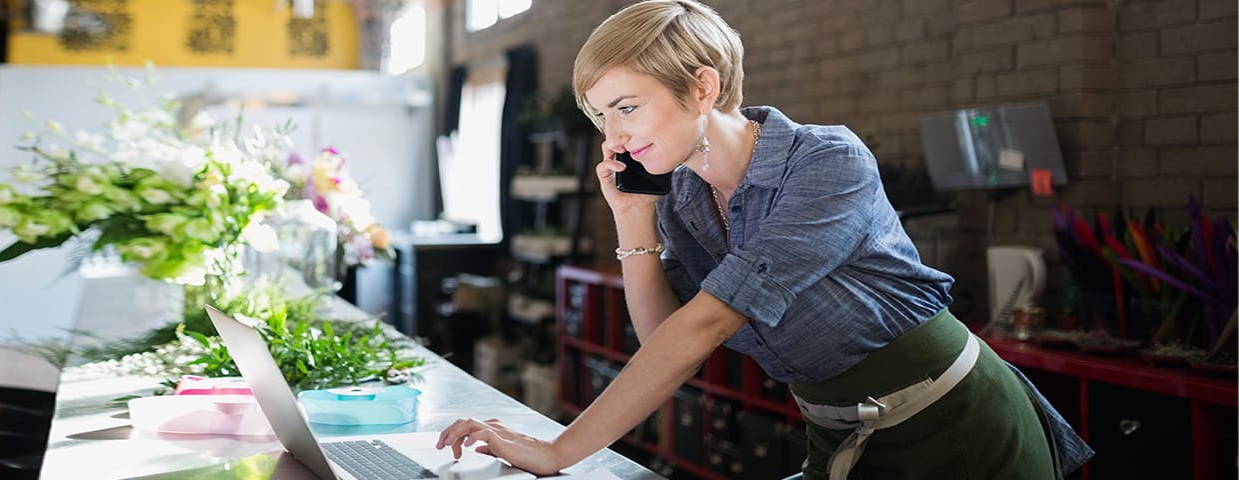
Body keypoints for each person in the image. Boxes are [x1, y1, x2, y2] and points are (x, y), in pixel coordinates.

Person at [435, 1, 1092, 478]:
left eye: (626, 107)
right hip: (835, 434)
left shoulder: (827, 162)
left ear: (702, 87)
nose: (612, 137)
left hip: (954, 430)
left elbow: (706, 327)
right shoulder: (687, 197)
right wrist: (633, 222)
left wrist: (556, 452)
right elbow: (670, 341)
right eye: (601, 116)